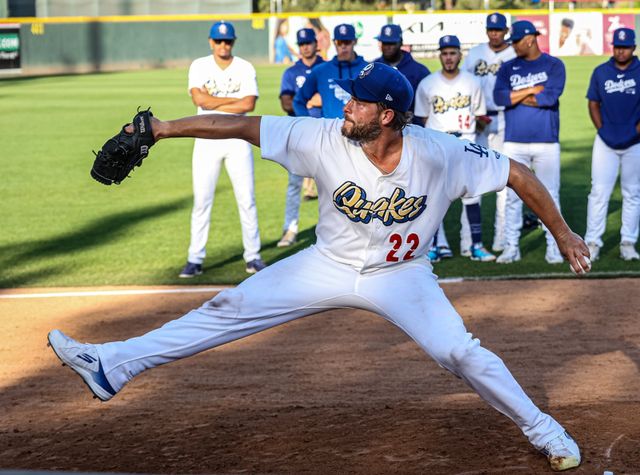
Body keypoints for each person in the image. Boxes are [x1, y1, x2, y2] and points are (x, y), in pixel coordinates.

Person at [47, 62, 590, 472]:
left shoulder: (440, 153)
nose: (346, 106)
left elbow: (518, 174)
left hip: (401, 274)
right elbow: (240, 126)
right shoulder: (322, 136)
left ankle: (544, 431)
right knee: (229, 306)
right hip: (326, 263)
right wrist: (164, 129)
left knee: (459, 352)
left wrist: (562, 233)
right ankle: (111, 365)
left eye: (358, 102)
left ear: (387, 116)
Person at [179, 21, 266, 278]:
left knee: (247, 199)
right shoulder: (199, 65)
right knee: (202, 201)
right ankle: (195, 258)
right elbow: (199, 100)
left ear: (233, 42)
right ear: (211, 41)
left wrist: (213, 102)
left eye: (227, 40)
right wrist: (231, 102)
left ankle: (253, 256)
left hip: (238, 139)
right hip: (206, 140)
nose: (223, 45)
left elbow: (248, 104)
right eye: (218, 40)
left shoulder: (245, 67)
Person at [414, 35, 496, 262]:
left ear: (460, 55)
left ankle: (476, 245)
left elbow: (480, 116)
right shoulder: (427, 83)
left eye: (452, 53)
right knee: (434, 198)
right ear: (439, 56)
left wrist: (472, 135)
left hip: (465, 144)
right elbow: (422, 119)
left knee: (471, 196)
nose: (448, 57)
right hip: (437, 146)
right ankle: (434, 246)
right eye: (444, 53)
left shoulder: (472, 82)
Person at [494, 21, 566, 264]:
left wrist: (516, 96)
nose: (512, 45)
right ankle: (511, 247)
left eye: (515, 41)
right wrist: (530, 90)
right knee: (512, 197)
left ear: (530, 39)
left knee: (550, 195)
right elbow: (499, 98)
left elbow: (548, 98)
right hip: (514, 141)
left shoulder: (554, 65)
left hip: (547, 141)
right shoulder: (507, 67)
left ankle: (554, 247)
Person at [584, 28, 640, 261]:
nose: (621, 51)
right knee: (598, 192)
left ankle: (628, 242)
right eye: (617, 46)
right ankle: (592, 243)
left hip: (635, 143)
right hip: (605, 143)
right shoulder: (601, 71)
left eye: (625, 47)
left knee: (633, 193)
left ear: (633, 48)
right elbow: (593, 103)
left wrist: (635, 132)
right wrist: (602, 129)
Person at [462, 13, 516, 253]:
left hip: (505, 117)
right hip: (479, 121)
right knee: (473, 180)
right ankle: (468, 241)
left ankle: (501, 237)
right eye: (491, 29)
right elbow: (464, 83)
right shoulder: (475, 53)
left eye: (498, 29)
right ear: (486, 31)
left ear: (506, 31)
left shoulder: (513, 53)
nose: (494, 33)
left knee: (505, 179)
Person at [277, 28, 325, 247]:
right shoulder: (291, 72)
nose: (305, 47)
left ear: (316, 44)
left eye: (309, 43)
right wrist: (309, 101)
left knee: (333, 185)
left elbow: (334, 97)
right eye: (302, 44)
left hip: (325, 133)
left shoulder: (327, 68)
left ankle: (333, 231)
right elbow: (286, 103)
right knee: (294, 185)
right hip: (298, 133)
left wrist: (310, 99)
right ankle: (290, 229)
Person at [293, 23, 368, 119]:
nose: (343, 46)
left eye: (347, 42)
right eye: (339, 42)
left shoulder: (368, 69)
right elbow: (298, 101)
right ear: (334, 43)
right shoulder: (320, 71)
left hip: (360, 128)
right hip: (330, 127)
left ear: (355, 41)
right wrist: (307, 123)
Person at [373, 23, 430, 125]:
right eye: (385, 43)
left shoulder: (419, 71)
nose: (387, 47)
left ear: (400, 43)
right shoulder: (374, 68)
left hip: (412, 127)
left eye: (391, 43)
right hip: (379, 126)